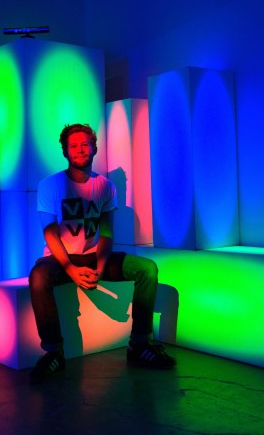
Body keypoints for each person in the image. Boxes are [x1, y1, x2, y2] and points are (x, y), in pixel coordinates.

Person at [28, 123, 176, 384]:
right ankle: (54, 352)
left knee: (147, 269)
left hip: (95, 256)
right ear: (65, 152)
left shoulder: (106, 187)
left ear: (94, 148)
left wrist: (101, 264)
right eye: (73, 146)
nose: (80, 149)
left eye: (85, 144)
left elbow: (107, 233)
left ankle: (139, 345)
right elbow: (50, 232)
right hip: (61, 259)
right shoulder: (50, 185)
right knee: (39, 276)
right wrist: (72, 270)